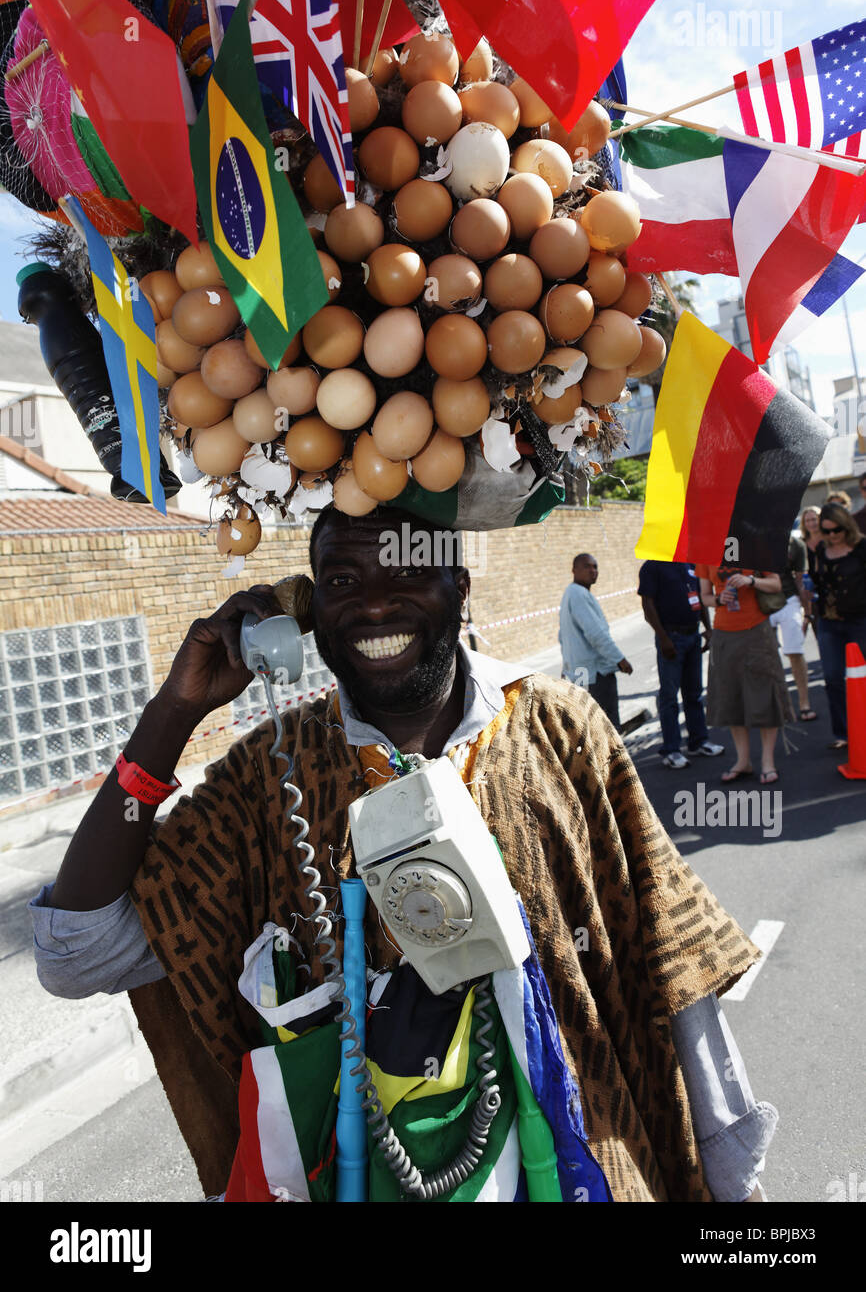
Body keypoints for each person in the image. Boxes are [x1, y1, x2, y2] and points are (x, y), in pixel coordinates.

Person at [30, 508, 776, 1203]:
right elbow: (76, 954)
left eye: (407, 572)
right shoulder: (265, 776)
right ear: (307, 613)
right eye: (343, 582)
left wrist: (726, 1167)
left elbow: (670, 956)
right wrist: (175, 711)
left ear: (460, 584)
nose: (375, 605)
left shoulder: (558, 728)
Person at [696, 561, 792, 785]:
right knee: (731, 696)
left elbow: (776, 584)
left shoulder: (754, 545)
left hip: (757, 630)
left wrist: (751, 581)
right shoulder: (705, 554)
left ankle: (768, 761)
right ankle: (743, 761)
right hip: (724, 634)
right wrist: (719, 600)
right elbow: (705, 596)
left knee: (765, 694)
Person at [637, 560, 724, 768]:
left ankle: (698, 741)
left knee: (694, 693)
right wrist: (663, 637)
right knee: (669, 696)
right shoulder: (652, 566)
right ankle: (672, 750)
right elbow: (647, 604)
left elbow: (699, 598)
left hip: (692, 634)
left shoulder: (690, 563)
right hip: (671, 637)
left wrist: (708, 628)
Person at [808, 502, 866, 749]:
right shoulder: (820, 549)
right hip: (829, 623)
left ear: (846, 526)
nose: (832, 535)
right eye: (827, 530)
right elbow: (814, 583)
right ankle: (843, 733)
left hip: (860, 620)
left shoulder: (862, 548)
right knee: (832, 678)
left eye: (836, 530)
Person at [559, 552, 632, 730]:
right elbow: (596, 634)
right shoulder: (578, 594)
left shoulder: (572, 593)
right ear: (574, 570)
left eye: (595, 567)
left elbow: (563, 637)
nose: (593, 570)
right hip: (596, 674)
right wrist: (620, 659)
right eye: (587, 566)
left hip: (582, 673)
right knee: (607, 729)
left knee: (592, 728)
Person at [768, 533, 816, 721]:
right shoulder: (751, 538)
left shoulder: (795, 544)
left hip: (789, 600)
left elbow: (800, 580)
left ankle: (804, 703)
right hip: (762, 602)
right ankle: (782, 705)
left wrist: (807, 611)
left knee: (795, 651)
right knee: (769, 656)